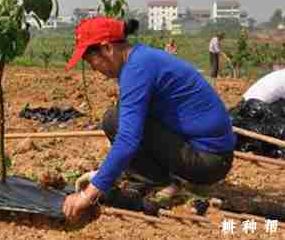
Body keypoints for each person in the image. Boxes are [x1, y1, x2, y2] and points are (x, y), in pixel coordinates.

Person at [62, 17, 235, 219]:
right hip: (210, 155)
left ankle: (160, 183)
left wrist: (88, 194)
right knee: (119, 116)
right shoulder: (142, 58)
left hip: (208, 160)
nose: (94, 68)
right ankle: (155, 178)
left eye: (91, 61)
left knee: (114, 120)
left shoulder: (137, 69)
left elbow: (128, 139)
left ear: (107, 48)